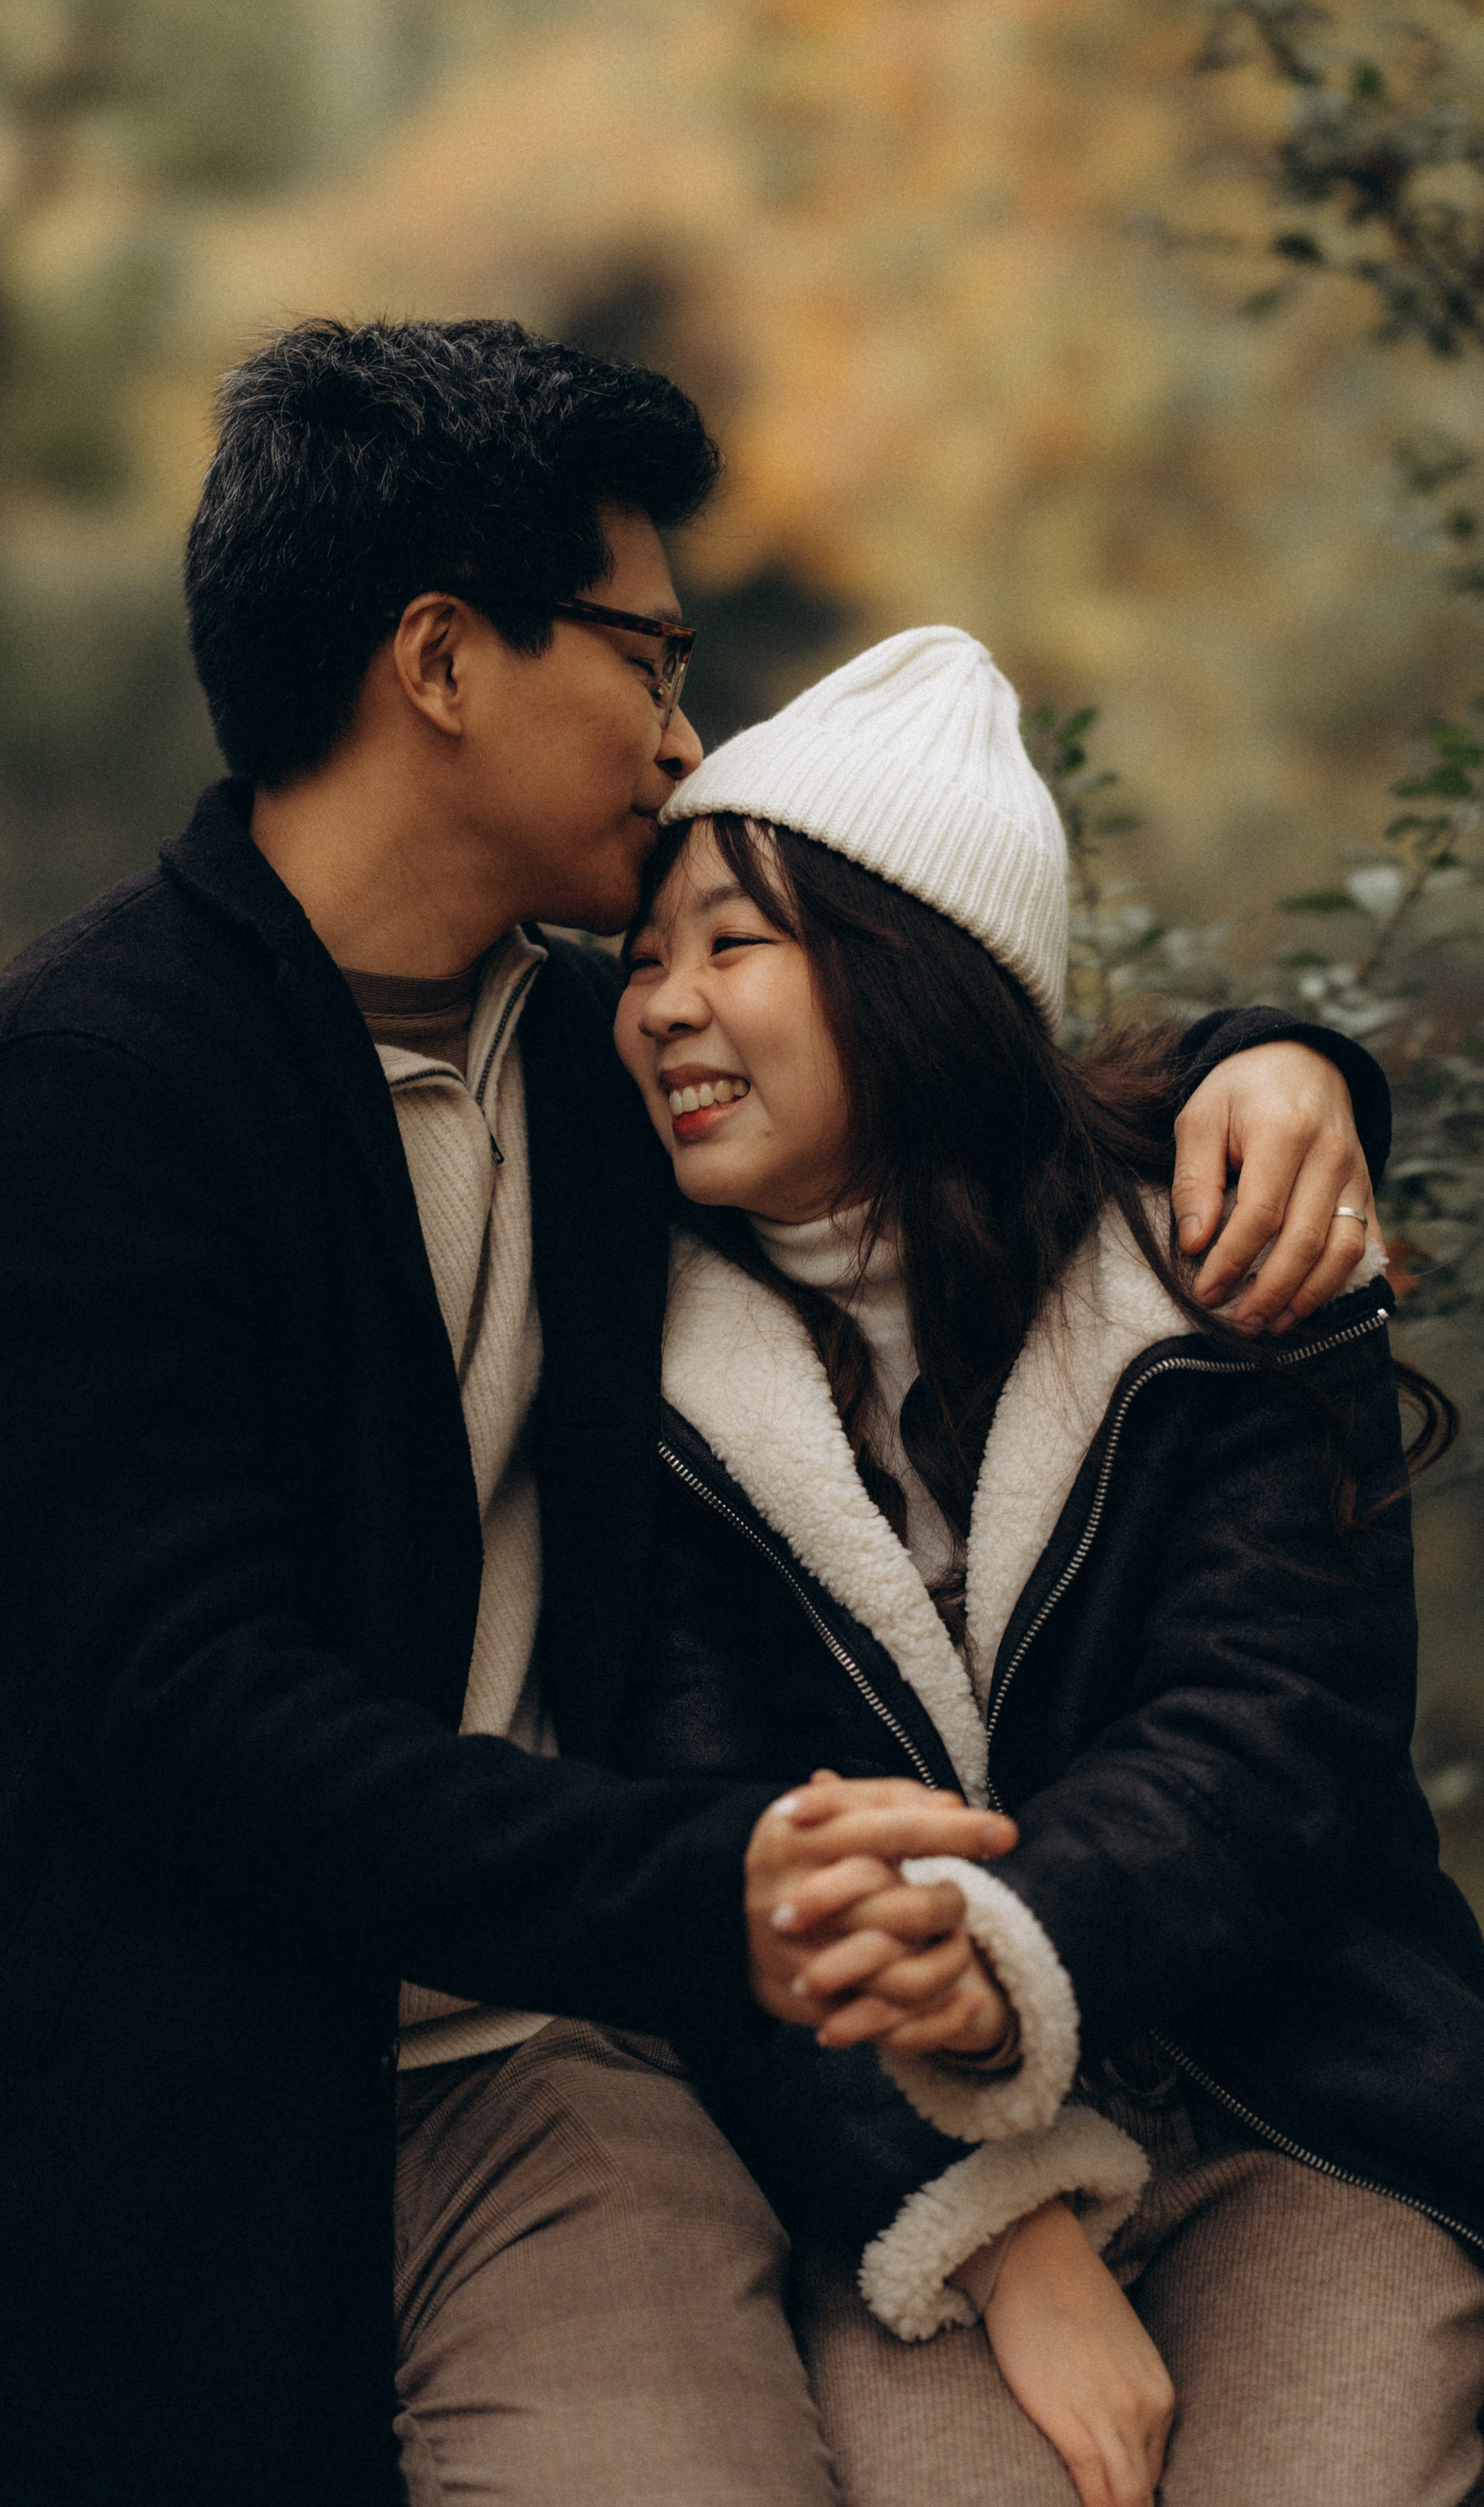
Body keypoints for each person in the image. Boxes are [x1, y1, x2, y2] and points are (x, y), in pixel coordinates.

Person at [0, 319, 1389, 2507]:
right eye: (647, 661)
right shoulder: (89, 1094)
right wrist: (709, 1876)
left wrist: (1281, 1062)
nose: (683, 729)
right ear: (443, 662)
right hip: (136, 2094)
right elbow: (189, 1712)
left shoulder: (592, 1058)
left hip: (546, 2061)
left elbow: (936, 1047)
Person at [611, 625, 1484, 2507]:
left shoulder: (1217, 1268)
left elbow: (1276, 1747)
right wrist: (1002, 2227)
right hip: (901, 2153)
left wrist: (999, 1948)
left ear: (910, 972)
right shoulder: (649, 1381)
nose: (666, 1004)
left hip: (1293, 2101)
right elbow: (705, 1830)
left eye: (733, 946)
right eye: (646, 954)